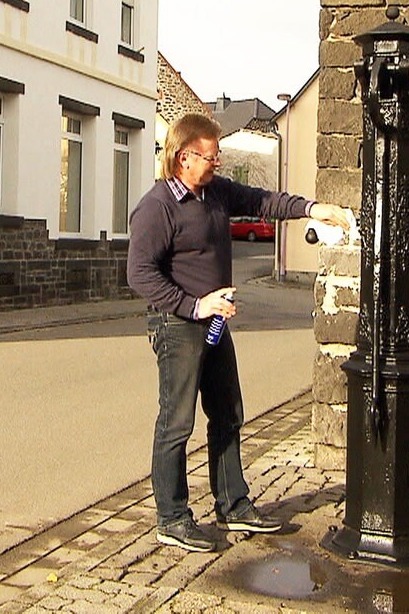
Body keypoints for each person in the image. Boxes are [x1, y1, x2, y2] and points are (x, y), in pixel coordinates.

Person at [126, 112, 350, 552]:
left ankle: (233, 505)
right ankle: (172, 518)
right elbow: (139, 274)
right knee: (176, 423)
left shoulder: (215, 192)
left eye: (218, 155)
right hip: (178, 327)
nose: (217, 164)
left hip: (214, 325)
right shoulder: (157, 208)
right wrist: (194, 305)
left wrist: (313, 208)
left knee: (228, 413)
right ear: (183, 157)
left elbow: (263, 201)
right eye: (210, 157)